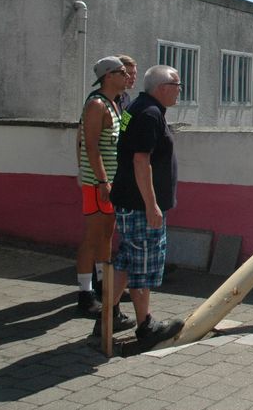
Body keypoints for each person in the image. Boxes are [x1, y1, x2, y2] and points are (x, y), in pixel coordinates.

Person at [108, 65, 185, 350]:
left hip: (129, 201)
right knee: (142, 263)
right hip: (140, 206)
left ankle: (109, 315)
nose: (179, 90)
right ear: (162, 88)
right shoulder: (149, 113)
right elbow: (141, 161)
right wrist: (152, 205)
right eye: (177, 85)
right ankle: (146, 326)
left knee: (127, 260)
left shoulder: (137, 108)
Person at [75, 56, 134, 333]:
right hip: (98, 184)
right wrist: (101, 180)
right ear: (109, 76)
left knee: (106, 237)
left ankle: (103, 287)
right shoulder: (96, 104)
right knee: (93, 236)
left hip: (109, 182)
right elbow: (91, 146)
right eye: (122, 73)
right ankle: (86, 293)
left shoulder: (114, 105)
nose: (127, 77)